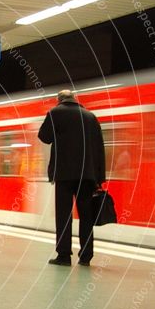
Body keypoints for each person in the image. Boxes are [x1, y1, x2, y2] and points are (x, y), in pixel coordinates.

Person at [37, 89, 106, 267]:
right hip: (88, 175)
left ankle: (64, 256)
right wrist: (99, 177)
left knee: (64, 216)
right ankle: (86, 257)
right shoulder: (91, 117)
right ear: (75, 98)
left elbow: (44, 137)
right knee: (86, 216)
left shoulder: (55, 113)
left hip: (64, 174)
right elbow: (99, 148)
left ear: (59, 100)